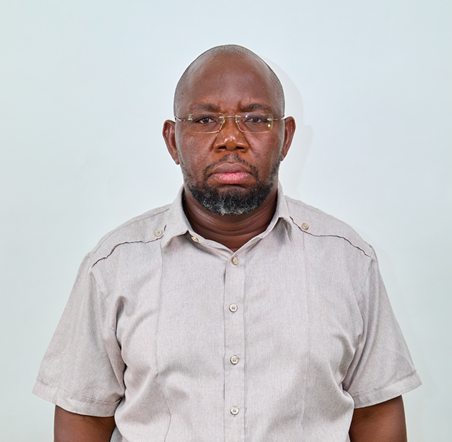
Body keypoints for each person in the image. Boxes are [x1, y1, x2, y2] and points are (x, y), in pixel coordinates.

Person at [33, 45, 421, 442]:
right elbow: (84, 418)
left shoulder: (347, 261)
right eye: (205, 119)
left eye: (255, 119)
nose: (231, 139)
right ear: (172, 141)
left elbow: (376, 415)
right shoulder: (113, 267)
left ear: (286, 137)